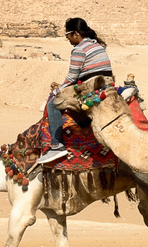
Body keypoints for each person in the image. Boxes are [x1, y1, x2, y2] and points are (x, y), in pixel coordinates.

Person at [38, 18, 114, 166]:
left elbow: (72, 77)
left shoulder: (79, 49)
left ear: (76, 34)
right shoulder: (96, 45)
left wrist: (57, 91)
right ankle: (85, 123)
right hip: (105, 86)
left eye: (68, 36)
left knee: (53, 104)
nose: (69, 40)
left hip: (91, 89)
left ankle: (56, 146)